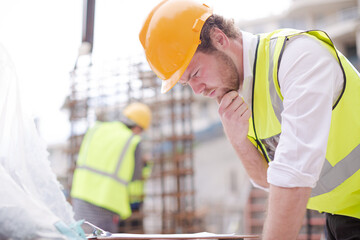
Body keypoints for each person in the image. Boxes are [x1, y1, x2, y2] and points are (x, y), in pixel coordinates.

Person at [139, 0, 360, 239]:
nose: (197, 90)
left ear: (219, 38)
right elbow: (266, 179)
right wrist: (238, 140)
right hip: (341, 216)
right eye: (186, 83)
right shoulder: (238, 93)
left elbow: (294, 172)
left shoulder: (297, 56)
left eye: (195, 74)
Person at [71, 102, 152, 234]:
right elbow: (135, 176)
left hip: (80, 194)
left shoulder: (97, 129)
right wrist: (146, 165)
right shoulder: (132, 140)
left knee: (80, 235)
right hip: (107, 201)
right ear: (138, 127)